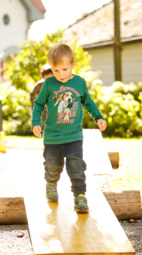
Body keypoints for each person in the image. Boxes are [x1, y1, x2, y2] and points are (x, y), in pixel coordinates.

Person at [32, 44, 107, 213]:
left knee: (76, 166)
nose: (60, 75)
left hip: (74, 136)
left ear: (73, 64)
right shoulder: (49, 84)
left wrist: (98, 117)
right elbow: (38, 104)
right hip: (52, 137)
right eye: (55, 70)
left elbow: (88, 102)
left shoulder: (79, 82)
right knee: (53, 167)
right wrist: (36, 122)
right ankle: (51, 184)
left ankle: (80, 196)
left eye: (64, 69)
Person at [30, 64, 53, 128]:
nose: (48, 77)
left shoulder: (55, 84)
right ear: (43, 76)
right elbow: (32, 94)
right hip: (43, 111)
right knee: (46, 126)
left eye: (50, 74)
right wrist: (33, 108)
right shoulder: (39, 85)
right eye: (46, 75)